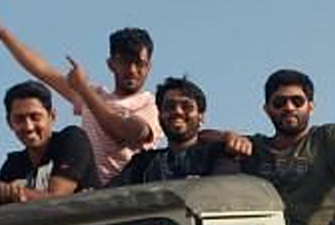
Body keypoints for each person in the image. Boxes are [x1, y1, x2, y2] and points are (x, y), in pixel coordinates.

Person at [0, 0, 159, 185]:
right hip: (87, 195)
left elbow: (122, 133)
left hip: (126, 198)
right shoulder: (94, 95)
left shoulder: (150, 105)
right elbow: (42, 69)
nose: (132, 70)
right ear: (111, 64)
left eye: (139, 64)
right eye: (125, 62)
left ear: (149, 66)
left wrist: (84, 90)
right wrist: (0, 31)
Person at [242, 68, 335, 225]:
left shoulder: (327, 137)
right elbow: (201, 139)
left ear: (311, 106)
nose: (289, 107)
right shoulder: (254, 148)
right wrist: (227, 137)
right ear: (267, 109)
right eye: (280, 102)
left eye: (297, 101)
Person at [0, 82, 97, 212]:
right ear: (9, 123)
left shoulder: (71, 140)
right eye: (19, 119)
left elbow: (57, 200)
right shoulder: (14, 164)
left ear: (52, 116)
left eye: (35, 117)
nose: (28, 127)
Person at [103, 76, 240, 186]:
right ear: (159, 115)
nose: (178, 112)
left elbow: (219, 189)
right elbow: (109, 195)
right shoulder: (143, 164)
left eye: (186, 106)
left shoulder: (219, 155)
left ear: (201, 116)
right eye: (169, 107)